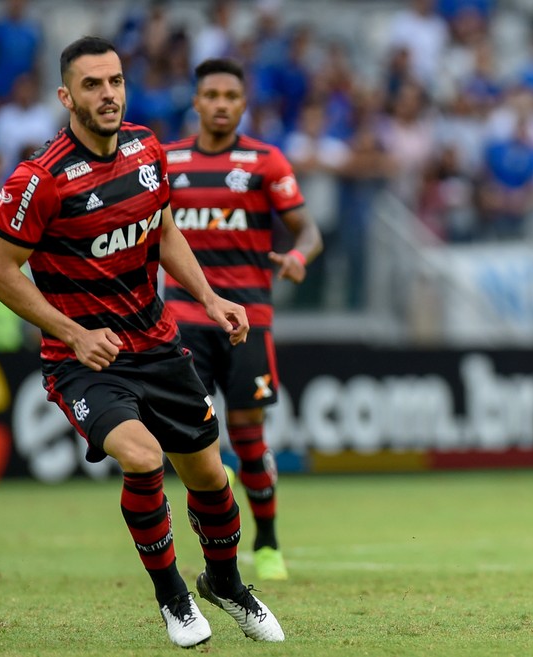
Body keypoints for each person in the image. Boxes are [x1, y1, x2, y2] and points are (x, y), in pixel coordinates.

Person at [0, 36, 284, 648]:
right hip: (85, 361)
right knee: (144, 458)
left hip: (160, 344)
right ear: (67, 96)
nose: (108, 94)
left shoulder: (148, 148)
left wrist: (208, 297)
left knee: (211, 478)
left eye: (115, 81)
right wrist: (71, 332)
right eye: (92, 85)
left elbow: (164, 226)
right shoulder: (39, 180)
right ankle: (173, 598)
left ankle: (223, 582)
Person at [163, 58, 322, 581]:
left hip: (247, 319)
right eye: (212, 94)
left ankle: (269, 542)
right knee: (191, 434)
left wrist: (298, 257)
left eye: (231, 95)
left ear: (244, 102)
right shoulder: (167, 162)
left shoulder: (265, 162)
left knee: (248, 433)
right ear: (197, 101)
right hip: (183, 317)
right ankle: (219, 530)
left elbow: (308, 231)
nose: (221, 104)